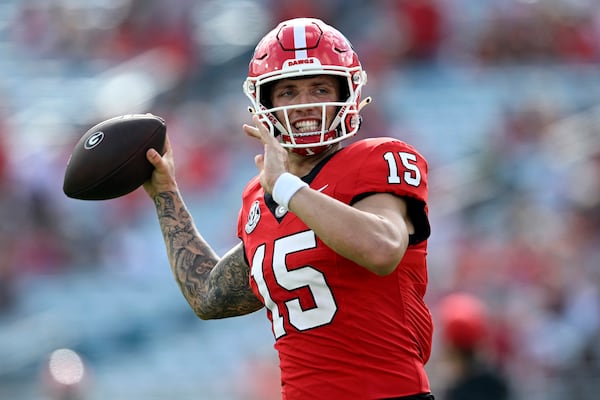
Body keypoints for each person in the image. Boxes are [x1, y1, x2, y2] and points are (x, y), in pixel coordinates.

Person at [143, 17, 434, 400]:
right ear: (264, 104)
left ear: (348, 93)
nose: (305, 104)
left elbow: (382, 249)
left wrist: (285, 186)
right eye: (288, 92)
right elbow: (208, 296)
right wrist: (166, 195)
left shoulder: (377, 158)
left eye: (319, 88)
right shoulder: (259, 196)